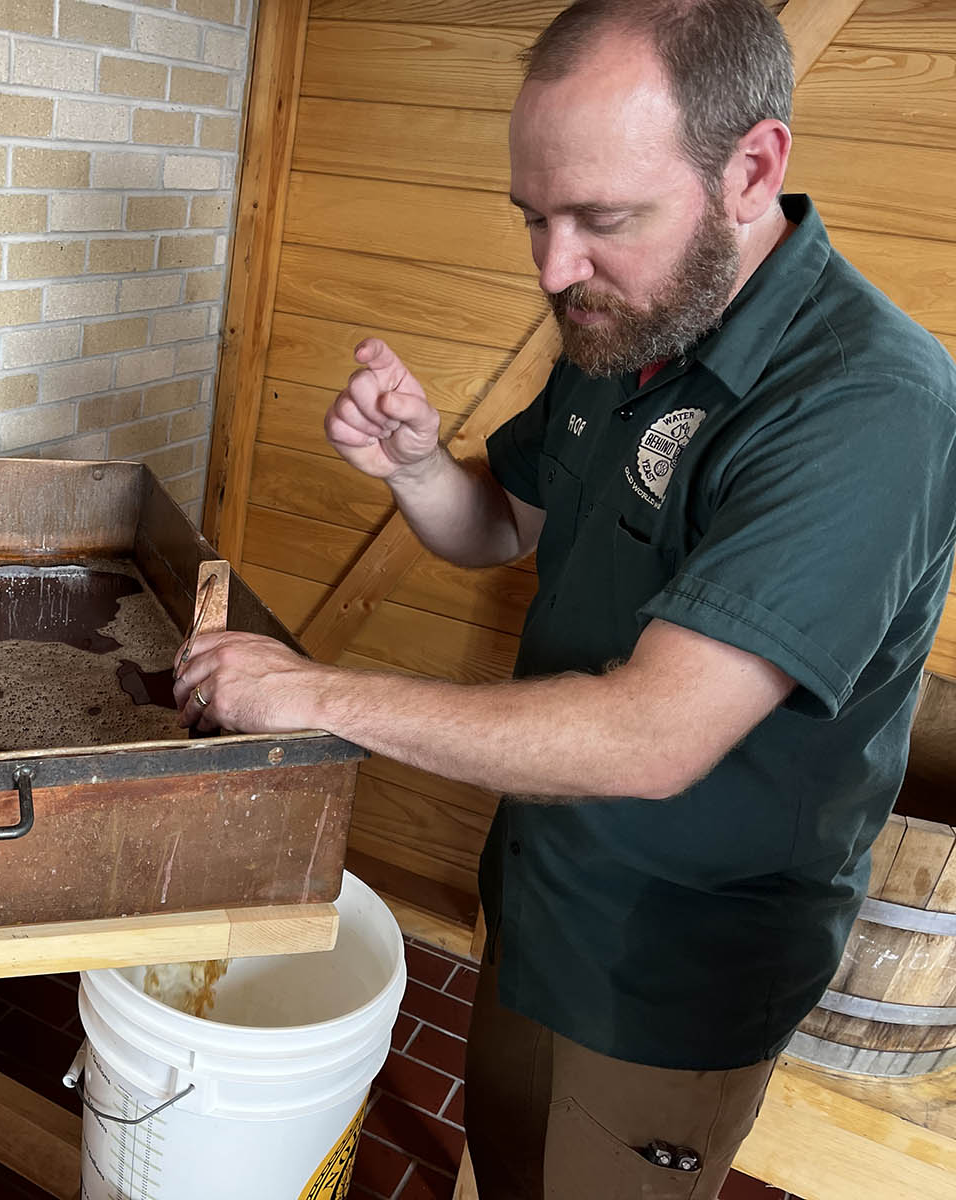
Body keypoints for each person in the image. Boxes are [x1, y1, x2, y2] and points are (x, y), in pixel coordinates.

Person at [171, 0, 956, 1195]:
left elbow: (651, 737)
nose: (553, 267)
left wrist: (313, 695)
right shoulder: (630, 318)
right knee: (507, 1157)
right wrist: (417, 467)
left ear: (751, 167)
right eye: (535, 218)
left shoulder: (864, 404)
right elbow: (498, 531)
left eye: (602, 218)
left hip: (673, 964)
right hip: (543, 887)